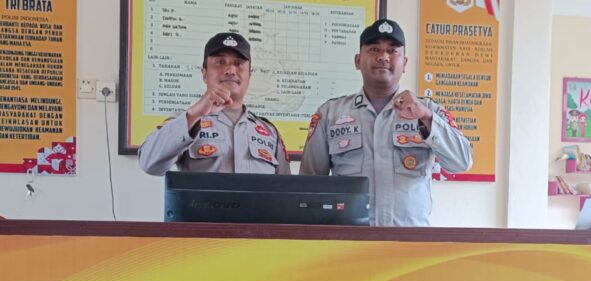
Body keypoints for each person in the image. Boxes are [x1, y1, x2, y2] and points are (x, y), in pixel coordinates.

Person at [300, 19, 472, 226]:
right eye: (374, 49)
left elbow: (461, 162)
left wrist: (426, 117)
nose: (383, 57)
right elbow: (309, 188)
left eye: (392, 51)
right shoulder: (329, 114)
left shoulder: (428, 110)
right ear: (357, 61)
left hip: (409, 241)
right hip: (349, 241)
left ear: (405, 63)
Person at [139, 32, 290, 175]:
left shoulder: (270, 132)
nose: (231, 70)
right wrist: (195, 114)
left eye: (238, 63)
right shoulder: (187, 121)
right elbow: (149, 164)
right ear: (204, 74)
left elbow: (286, 189)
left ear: (249, 75)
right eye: (220, 62)